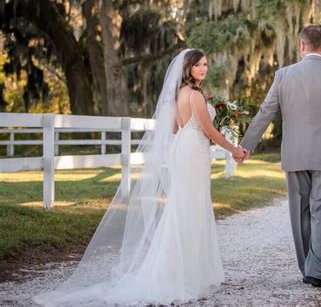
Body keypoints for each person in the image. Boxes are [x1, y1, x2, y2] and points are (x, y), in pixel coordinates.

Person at [34, 48, 246, 306]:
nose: (204, 68)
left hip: (183, 147)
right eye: (199, 65)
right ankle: (186, 274)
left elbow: (174, 128)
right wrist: (234, 149)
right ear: (188, 68)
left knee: (183, 207)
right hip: (193, 151)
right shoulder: (196, 96)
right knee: (192, 207)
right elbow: (209, 131)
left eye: (205, 64)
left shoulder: (178, 94)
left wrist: (197, 133)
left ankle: (182, 271)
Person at [240, 25, 321, 289]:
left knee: (300, 213)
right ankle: (315, 269)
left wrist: (246, 145)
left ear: (301, 45)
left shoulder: (283, 75)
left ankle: (307, 267)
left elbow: (265, 112)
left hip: (295, 155)